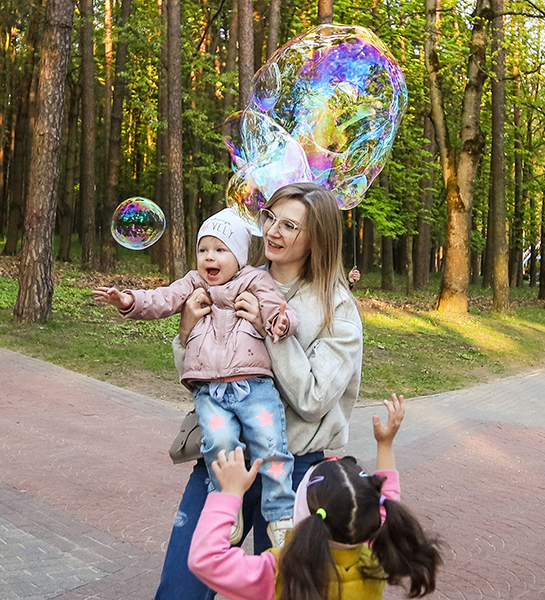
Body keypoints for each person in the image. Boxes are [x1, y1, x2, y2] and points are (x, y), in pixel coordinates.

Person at [155, 182, 364, 599]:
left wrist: (274, 334)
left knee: (285, 593)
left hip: (293, 472)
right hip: (224, 463)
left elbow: (313, 399)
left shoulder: (336, 307)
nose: (272, 231)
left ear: (316, 238)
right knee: (179, 591)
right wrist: (185, 332)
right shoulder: (231, 279)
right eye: (270, 217)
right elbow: (199, 376)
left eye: (290, 225)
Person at [94, 208, 300, 546]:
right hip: (210, 391)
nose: (209, 257)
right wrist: (128, 299)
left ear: (238, 256)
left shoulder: (255, 280)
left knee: (271, 443)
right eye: (203, 249)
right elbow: (161, 298)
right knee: (218, 446)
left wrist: (280, 322)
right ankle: (227, 506)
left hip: (254, 386)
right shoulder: (192, 283)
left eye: (220, 250)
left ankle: (279, 514)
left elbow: (279, 308)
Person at [188, 393, 443, 600]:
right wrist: (385, 445)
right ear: (371, 518)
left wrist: (229, 494)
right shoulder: (374, 559)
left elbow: (206, 560)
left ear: (306, 511)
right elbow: (388, 500)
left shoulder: (280, 571)